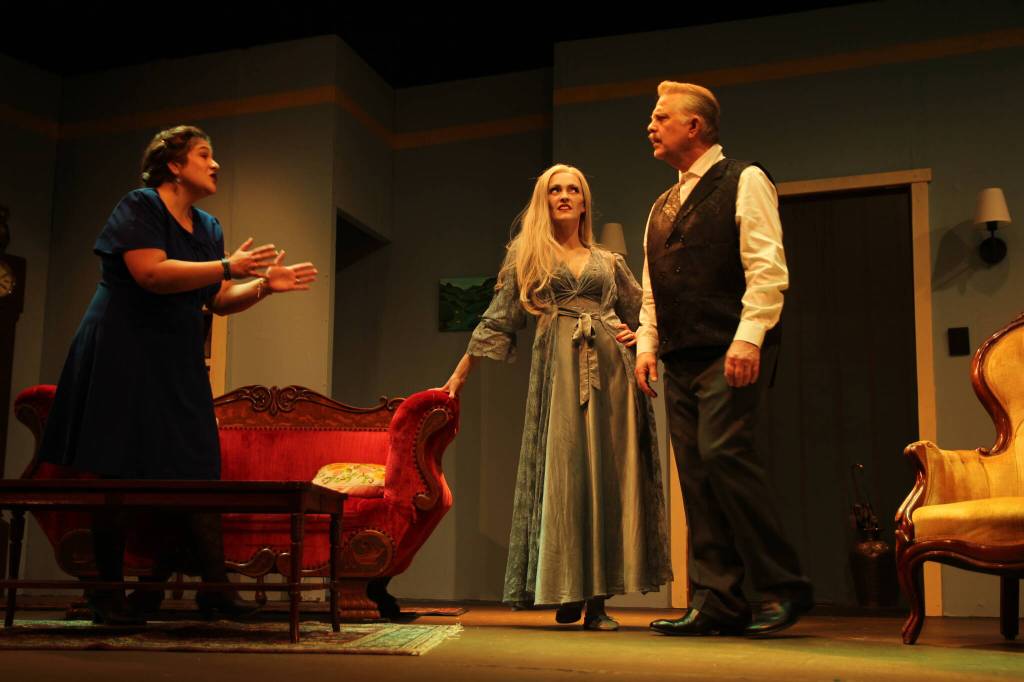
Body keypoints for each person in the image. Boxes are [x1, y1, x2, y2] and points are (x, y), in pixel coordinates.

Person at [38, 125, 318, 624]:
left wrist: (262, 286)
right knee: (119, 468)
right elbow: (150, 273)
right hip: (122, 351)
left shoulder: (208, 226)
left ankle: (213, 589)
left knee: (198, 466)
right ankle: (107, 595)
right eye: (204, 155)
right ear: (174, 164)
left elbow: (216, 300)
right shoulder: (140, 205)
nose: (215, 165)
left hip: (175, 358)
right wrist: (228, 268)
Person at [441, 164, 672, 631]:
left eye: (573, 190)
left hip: (612, 375)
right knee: (565, 478)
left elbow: (646, 312)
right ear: (544, 202)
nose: (564, 196)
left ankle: (598, 602)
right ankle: (567, 586)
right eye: (555, 190)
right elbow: (497, 319)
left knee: (607, 477)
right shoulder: (527, 260)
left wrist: (638, 337)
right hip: (559, 373)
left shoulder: (609, 262)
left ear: (584, 202)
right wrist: (460, 373)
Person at [635, 82, 813, 637]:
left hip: (727, 347)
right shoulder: (660, 206)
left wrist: (750, 336)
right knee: (696, 474)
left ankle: (783, 587)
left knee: (724, 453)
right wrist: (646, 344)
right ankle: (718, 600)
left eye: (661, 117)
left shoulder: (745, 179)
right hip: (680, 356)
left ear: (696, 126)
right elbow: (652, 287)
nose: (651, 125)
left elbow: (767, 266)